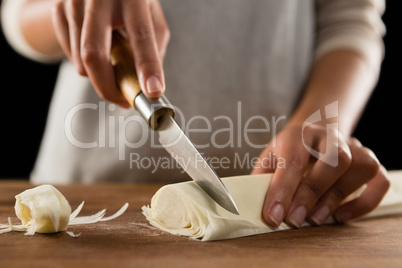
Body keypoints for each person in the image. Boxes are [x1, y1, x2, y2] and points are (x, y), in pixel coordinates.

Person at [1, 0, 390, 229]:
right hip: (83, 193)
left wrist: (320, 120)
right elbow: (17, 12)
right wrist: (69, 9)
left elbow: (351, 21)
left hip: (265, 197)